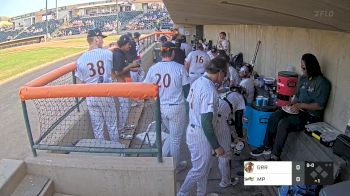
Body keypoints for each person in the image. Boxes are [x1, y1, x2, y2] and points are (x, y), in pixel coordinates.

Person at [250, 53, 331, 160]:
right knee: (275, 116)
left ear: (311, 67)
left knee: (284, 123)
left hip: (310, 116)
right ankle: (266, 146)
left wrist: (301, 105)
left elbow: (319, 106)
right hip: (297, 109)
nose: (302, 70)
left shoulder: (322, 83)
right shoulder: (303, 78)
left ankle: (275, 155)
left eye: (304, 68)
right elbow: (297, 96)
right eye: (301, 68)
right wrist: (291, 103)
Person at [178, 58, 227, 196]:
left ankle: (201, 193)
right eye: (224, 74)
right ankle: (182, 193)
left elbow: (189, 105)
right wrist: (217, 146)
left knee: (204, 168)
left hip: (194, 129)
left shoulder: (198, 81)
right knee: (199, 170)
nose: (224, 77)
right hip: (200, 133)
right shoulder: (208, 89)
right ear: (219, 72)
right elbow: (206, 122)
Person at [144, 41, 190, 172]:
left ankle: (162, 158)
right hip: (176, 107)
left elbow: (145, 88)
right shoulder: (179, 67)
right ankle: (175, 167)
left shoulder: (153, 68)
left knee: (171, 134)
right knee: (175, 139)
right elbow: (186, 90)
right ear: (173, 53)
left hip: (160, 107)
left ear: (161, 53)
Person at [75, 28, 119, 142]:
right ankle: (119, 154)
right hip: (105, 94)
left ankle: (101, 152)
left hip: (91, 97)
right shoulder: (108, 54)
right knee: (112, 126)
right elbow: (115, 74)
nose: (103, 41)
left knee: (97, 127)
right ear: (96, 39)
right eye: (101, 39)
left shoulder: (80, 59)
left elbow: (80, 83)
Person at [215, 89, 244, 187]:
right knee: (225, 155)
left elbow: (230, 120)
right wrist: (240, 137)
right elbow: (238, 122)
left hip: (213, 117)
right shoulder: (241, 99)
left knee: (218, 149)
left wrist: (232, 137)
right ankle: (225, 181)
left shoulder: (227, 93)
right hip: (220, 121)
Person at [112, 35, 140, 133]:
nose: (130, 46)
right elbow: (117, 72)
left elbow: (123, 67)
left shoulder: (122, 53)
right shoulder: (117, 54)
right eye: (128, 44)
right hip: (120, 85)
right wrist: (131, 65)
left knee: (126, 106)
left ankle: (124, 126)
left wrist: (132, 68)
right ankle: (121, 130)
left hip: (124, 83)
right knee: (124, 107)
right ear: (123, 44)